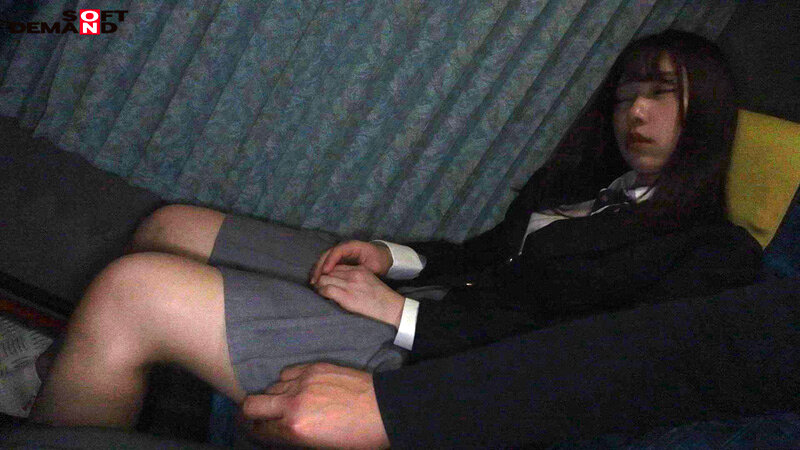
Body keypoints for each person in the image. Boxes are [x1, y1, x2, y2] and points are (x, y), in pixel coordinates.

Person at [30, 30, 768, 447]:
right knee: (171, 226)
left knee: (134, 292)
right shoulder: (583, 187)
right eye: (626, 94)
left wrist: (401, 314)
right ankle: (87, 376)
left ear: (708, 108)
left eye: (660, 93)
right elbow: (486, 253)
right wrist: (393, 258)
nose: (634, 112)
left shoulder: (714, 252)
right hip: (436, 298)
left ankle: (85, 373)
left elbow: (585, 364)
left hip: (448, 366)